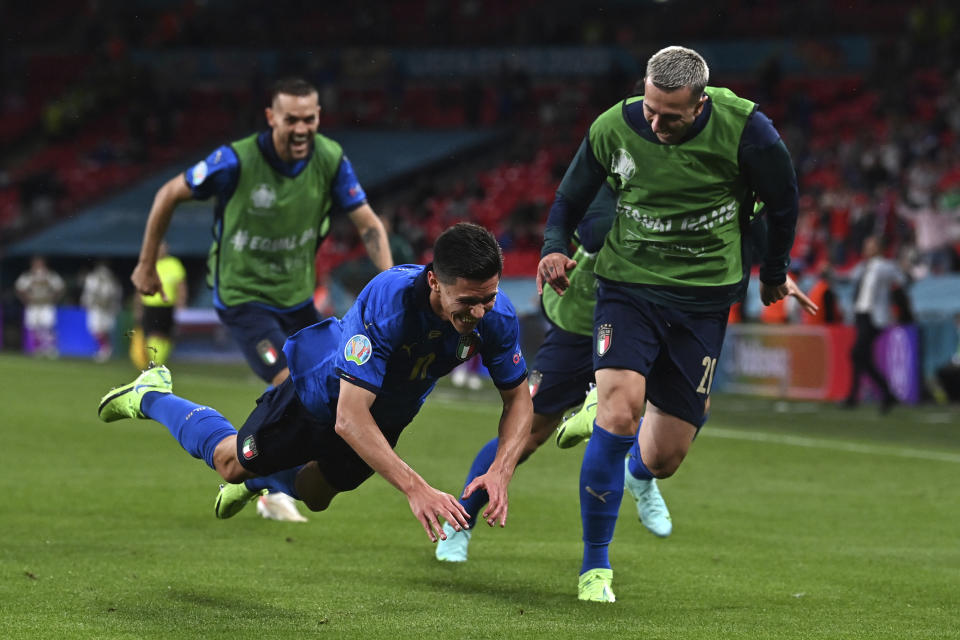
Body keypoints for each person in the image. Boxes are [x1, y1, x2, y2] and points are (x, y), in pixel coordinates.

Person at [536, 46, 800, 602]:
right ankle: (594, 568)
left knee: (665, 456)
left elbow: (782, 203)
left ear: (701, 103)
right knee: (620, 409)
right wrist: (554, 247)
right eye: (650, 110)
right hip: (628, 285)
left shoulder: (748, 131)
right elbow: (570, 196)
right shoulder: (615, 126)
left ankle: (638, 472)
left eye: (671, 116)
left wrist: (774, 270)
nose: (655, 124)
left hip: (703, 300)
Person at [98, 223, 532, 543]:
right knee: (231, 461)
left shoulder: (496, 316)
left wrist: (501, 469)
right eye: (468, 301)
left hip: (384, 419)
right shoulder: (390, 303)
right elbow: (348, 417)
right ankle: (151, 394)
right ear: (435, 282)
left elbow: (518, 399)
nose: (479, 312)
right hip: (318, 400)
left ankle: (257, 482)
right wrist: (416, 489)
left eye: (488, 298)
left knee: (316, 495)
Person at [130, 77, 393, 522]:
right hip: (243, 298)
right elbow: (168, 193)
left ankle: (257, 478)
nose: (301, 128)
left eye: (309, 119)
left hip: (296, 300)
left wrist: (391, 287)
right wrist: (146, 262)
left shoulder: (329, 160)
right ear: (271, 118)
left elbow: (368, 223)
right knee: (292, 385)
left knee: (327, 393)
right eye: (291, 119)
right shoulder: (235, 161)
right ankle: (266, 483)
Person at [843, 235, 906, 412]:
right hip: (861, 314)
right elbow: (848, 279)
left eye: (869, 246)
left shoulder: (885, 266)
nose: (865, 249)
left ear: (878, 248)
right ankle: (863, 396)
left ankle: (875, 394)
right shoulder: (863, 267)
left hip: (874, 316)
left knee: (857, 353)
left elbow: (902, 281)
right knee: (861, 357)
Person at [131, 242, 187, 368]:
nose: (161, 250)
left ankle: (159, 362)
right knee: (152, 334)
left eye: (163, 247)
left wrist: (181, 301)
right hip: (150, 305)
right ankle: (155, 362)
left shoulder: (174, 264)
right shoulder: (147, 265)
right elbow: (139, 287)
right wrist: (138, 307)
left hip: (167, 306)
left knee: (166, 337)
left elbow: (180, 285)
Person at [15, 255, 65, 358]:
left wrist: (54, 299)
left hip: (46, 304)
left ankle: (50, 348)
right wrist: (26, 300)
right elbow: (19, 289)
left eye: (39, 263)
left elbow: (60, 287)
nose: (38, 265)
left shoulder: (50, 275)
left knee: (47, 326)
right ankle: (38, 348)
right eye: (36, 263)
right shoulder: (28, 276)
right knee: (34, 327)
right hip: (33, 305)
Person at [81, 260, 122, 362]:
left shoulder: (111, 279)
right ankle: (105, 349)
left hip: (106, 308)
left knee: (103, 329)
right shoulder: (92, 278)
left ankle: (105, 350)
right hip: (96, 307)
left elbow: (116, 293)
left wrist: (113, 305)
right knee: (96, 329)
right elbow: (88, 293)